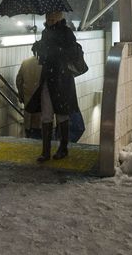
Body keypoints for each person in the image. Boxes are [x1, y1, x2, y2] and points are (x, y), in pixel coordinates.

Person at [26, 10, 80, 162]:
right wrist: (39, 47)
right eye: (48, 17)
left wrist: (54, 50)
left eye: (52, 17)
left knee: (62, 114)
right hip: (49, 79)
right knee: (47, 114)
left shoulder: (67, 33)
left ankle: (63, 148)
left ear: (59, 18)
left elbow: (72, 54)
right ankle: (46, 151)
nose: (49, 19)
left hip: (62, 79)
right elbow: (44, 58)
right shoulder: (45, 33)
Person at [16, 48, 42, 139]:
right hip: (44, 113)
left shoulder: (26, 63)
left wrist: (22, 96)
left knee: (30, 139)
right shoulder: (47, 64)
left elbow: (19, 81)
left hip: (29, 109)